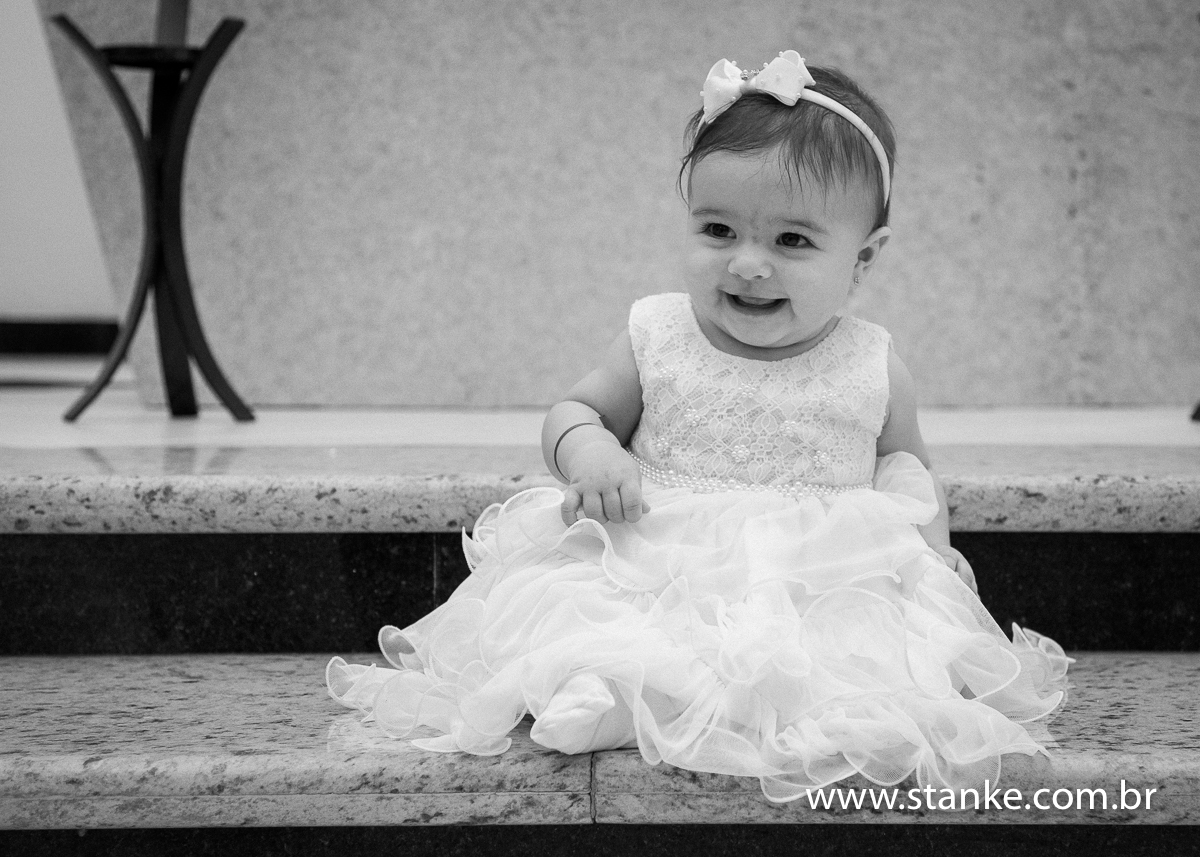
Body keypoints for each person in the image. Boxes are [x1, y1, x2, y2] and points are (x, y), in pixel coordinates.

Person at [328, 50, 1069, 803]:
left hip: (817, 580)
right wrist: (588, 452)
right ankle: (600, 692)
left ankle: (818, 715)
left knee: (858, 664)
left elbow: (908, 473)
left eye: (792, 241)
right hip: (663, 554)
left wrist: (936, 554)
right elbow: (573, 411)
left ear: (863, 259)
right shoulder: (660, 336)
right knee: (614, 623)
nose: (747, 263)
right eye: (719, 229)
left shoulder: (873, 365)